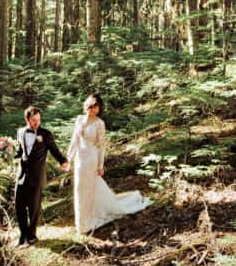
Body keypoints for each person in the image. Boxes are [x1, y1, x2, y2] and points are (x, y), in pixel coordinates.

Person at [66, 94, 152, 235]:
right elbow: (74, 139)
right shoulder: (79, 119)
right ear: (86, 106)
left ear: (99, 109)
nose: (93, 110)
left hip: (92, 158)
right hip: (80, 159)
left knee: (90, 189)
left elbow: (101, 146)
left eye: (96, 107)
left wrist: (100, 165)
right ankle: (81, 223)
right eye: (91, 106)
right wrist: (68, 158)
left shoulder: (100, 123)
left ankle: (87, 222)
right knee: (79, 189)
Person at [13, 106, 70, 246]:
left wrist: (63, 161)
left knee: (33, 208)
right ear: (27, 119)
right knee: (19, 206)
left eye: (38, 120)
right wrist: (8, 152)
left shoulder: (46, 134)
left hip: (37, 175)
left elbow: (54, 150)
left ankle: (31, 236)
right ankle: (22, 235)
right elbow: (21, 151)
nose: (36, 123)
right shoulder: (21, 132)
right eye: (33, 120)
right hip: (21, 175)